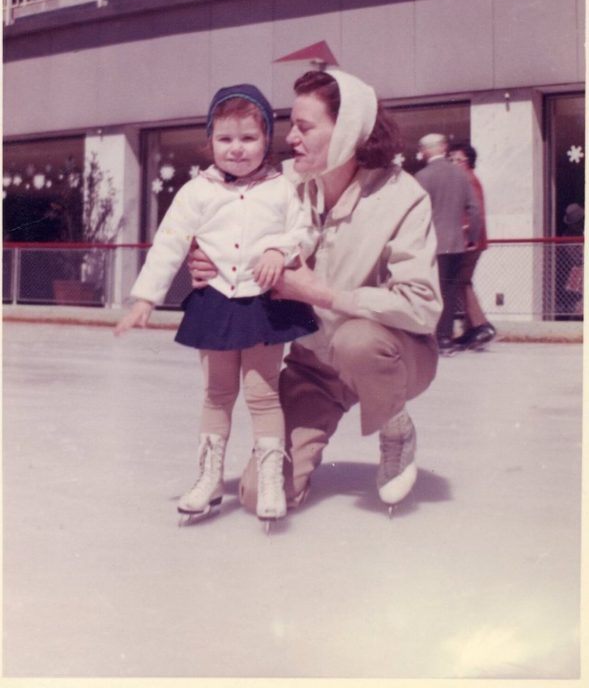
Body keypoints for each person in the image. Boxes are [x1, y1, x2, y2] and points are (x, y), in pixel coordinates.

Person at [189, 68, 442, 515]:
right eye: (292, 126)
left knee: (356, 340)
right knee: (256, 495)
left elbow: (423, 306)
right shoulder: (277, 184)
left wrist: (323, 294)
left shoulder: (404, 196)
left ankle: (394, 423)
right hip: (314, 366)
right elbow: (215, 210)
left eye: (305, 127)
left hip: (392, 353)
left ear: (346, 132)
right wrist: (205, 259)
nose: (291, 138)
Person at [115, 83, 318, 524]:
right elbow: (169, 242)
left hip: (264, 304)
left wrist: (279, 250)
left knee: (262, 394)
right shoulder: (197, 191)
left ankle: (269, 479)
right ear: (210, 142)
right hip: (216, 301)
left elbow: (305, 230)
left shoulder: (284, 188)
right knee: (216, 393)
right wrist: (145, 297)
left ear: (268, 139)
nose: (237, 149)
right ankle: (209, 477)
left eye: (249, 138)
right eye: (226, 139)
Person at [415, 133, 481, 354]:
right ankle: (445, 338)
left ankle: (432, 337)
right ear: (442, 148)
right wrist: (472, 237)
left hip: (432, 244)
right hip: (456, 244)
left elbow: (415, 213)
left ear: (425, 151)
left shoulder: (422, 177)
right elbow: (474, 209)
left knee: (432, 291)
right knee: (450, 290)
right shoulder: (461, 175)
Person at [448, 141, 496, 349]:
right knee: (462, 281)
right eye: (451, 159)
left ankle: (481, 326)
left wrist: (469, 235)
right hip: (472, 240)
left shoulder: (467, 179)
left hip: (470, 242)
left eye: (458, 159)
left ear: (468, 161)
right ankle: (472, 330)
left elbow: (474, 210)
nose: (454, 163)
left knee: (461, 282)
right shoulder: (466, 178)